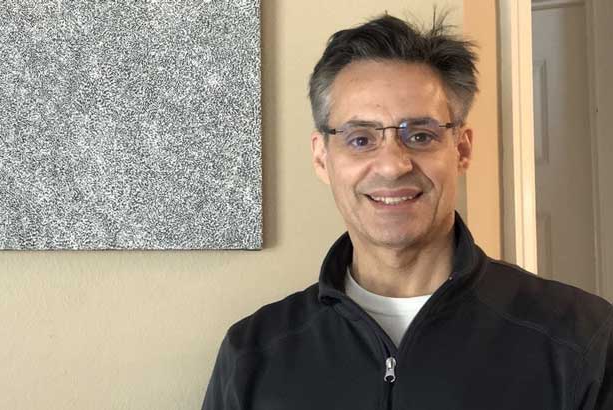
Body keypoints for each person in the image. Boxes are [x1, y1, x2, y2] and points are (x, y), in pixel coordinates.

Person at [201, 13, 613, 410]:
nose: (393, 165)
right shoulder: (253, 354)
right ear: (322, 158)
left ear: (462, 149)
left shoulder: (581, 339)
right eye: (360, 139)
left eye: (420, 135)